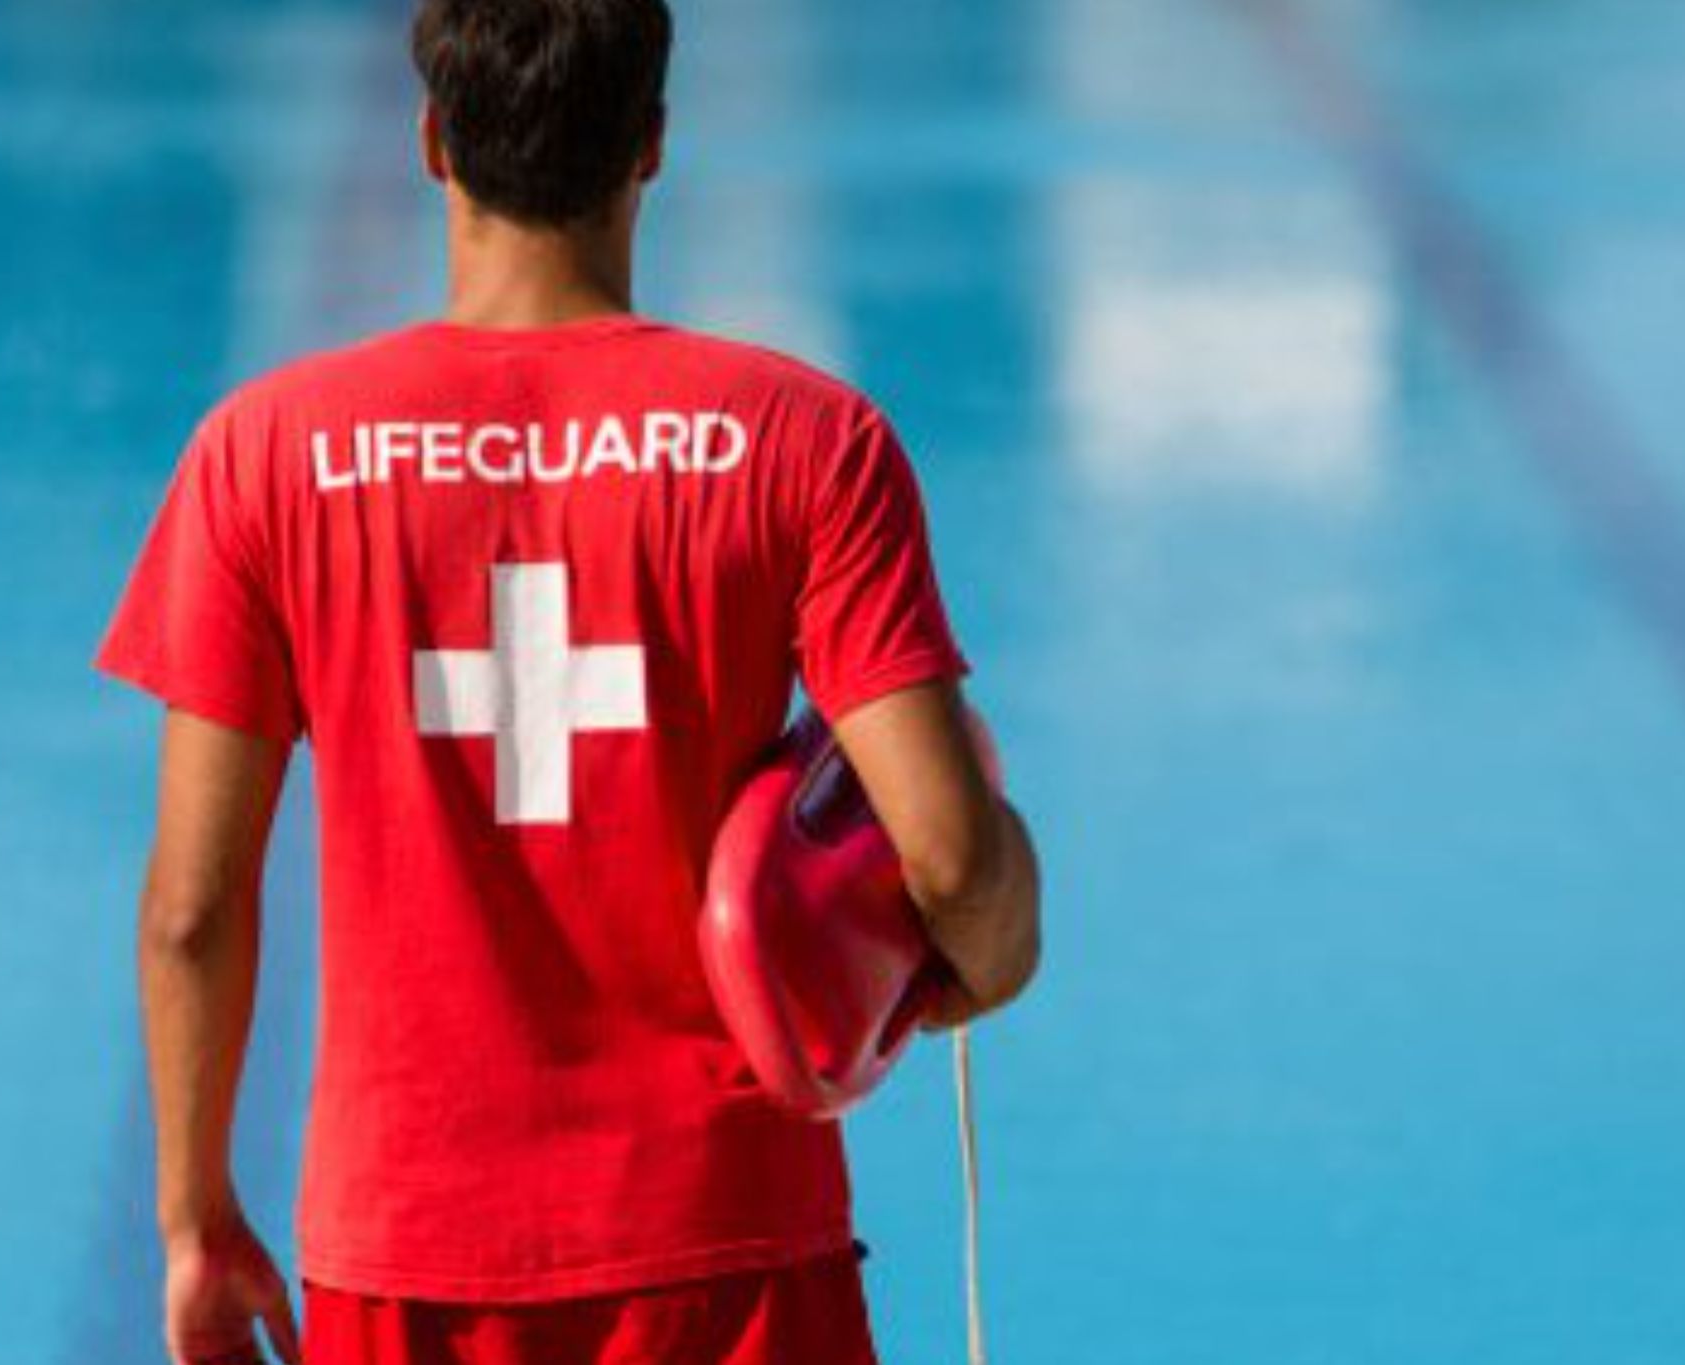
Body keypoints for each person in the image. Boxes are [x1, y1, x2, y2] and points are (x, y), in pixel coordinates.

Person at [92, 0, 1043, 1360]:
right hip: (728, 1241)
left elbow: (192, 909)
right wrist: (990, 957)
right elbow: (950, 857)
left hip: (405, 1250)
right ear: (650, 144)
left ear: (433, 142)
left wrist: (195, 1220)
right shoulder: (807, 442)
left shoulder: (265, 457)